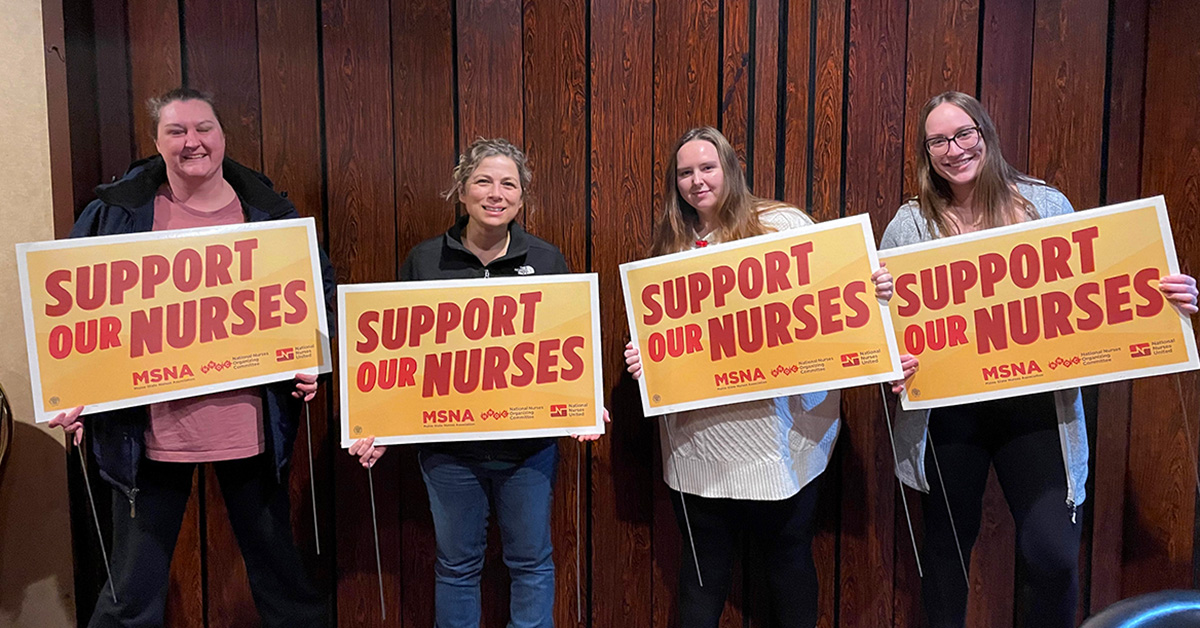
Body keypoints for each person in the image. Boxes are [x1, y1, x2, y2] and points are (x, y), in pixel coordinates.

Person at [879, 91, 1198, 628]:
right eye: (938, 140)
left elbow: (1097, 288)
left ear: (985, 134)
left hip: (1036, 407)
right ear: (925, 152)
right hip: (948, 413)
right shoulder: (909, 224)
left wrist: (1166, 300)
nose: (953, 149)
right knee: (946, 557)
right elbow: (886, 326)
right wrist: (891, 357)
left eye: (964, 134)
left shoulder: (1044, 205)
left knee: (1051, 554)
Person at [49, 87, 334, 628]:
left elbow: (316, 299)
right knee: (131, 596)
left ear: (223, 136)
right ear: (157, 143)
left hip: (249, 427)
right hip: (147, 437)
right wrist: (70, 392)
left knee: (284, 586)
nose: (192, 142)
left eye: (202, 128)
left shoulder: (271, 215)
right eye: (176, 131)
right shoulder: (116, 213)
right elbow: (72, 313)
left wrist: (312, 360)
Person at [623, 126, 910, 628]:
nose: (696, 181)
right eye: (685, 172)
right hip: (700, 443)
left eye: (706, 167)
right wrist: (644, 357)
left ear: (730, 168)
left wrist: (875, 289)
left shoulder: (782, 224)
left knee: (789, 565)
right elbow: (662, 338)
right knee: (701, 577)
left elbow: (835, 297)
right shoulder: (668, 247)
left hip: (784, 441)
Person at [348, 137, 607, 628]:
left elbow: (573, 349)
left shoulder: (549, 261)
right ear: (461, 192)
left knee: (531, 563)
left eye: (508, 183)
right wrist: (376, 422)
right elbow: (398, 357)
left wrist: (587, 403)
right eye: (483, 181)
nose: (496, 193)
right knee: (457, 566)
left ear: (521, 198)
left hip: (527, 450)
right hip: (449, 452)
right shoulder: (424, 262)